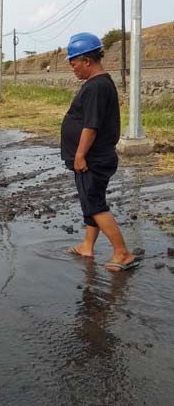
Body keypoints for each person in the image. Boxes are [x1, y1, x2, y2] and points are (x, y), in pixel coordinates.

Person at [60, 32, 138, 271]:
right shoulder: (99, 84)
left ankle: (122, 253)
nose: (73, 69)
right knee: (90, 202)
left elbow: (91, 126)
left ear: (87, 60)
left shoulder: (96, 87)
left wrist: (80, 155)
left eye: (74, 63)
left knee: (94, 205)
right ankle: (87, 245)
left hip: (92, 158)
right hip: (94, 157)